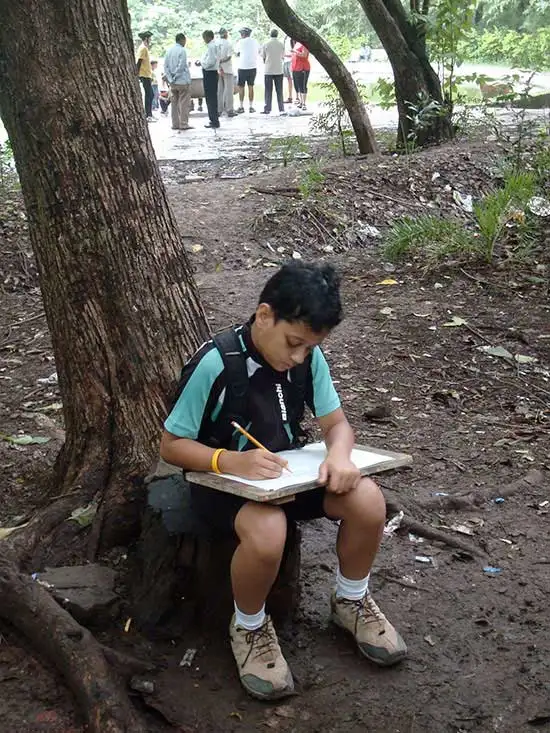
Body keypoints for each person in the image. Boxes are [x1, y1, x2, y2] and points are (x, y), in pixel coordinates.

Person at [160, 262, 407, 702]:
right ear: (263, 316)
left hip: (287, 477)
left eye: (309, 348)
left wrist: (339, 456)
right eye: (294, 343)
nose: (298, 357)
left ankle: (351, 600)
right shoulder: (216, 362)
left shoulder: (308, 360)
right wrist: (232, 461)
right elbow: (172, 445)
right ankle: (249, 627)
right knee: (268, 529)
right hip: (223, 485)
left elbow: (338, 425)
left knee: (368, 500)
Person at [163, 33, 193, 131]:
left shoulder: (169, 51)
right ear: (182, 40)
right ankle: (183, 123)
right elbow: (182, 65)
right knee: (184, 103)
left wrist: (171, 78)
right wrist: (176, 75)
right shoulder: (182, 50)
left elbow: (165, 66)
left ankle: (175, 124)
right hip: (182, 81)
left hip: (172, 83)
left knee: (174, 103)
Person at [261, 29, 285, 116]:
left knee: (268, 90)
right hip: (278, 69)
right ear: (277, 35)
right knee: (279, 90)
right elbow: (283, 56)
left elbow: (263, 56)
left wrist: (266, 61)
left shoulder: (266, 44)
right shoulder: (281, 44)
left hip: (268, 69)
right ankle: (281, 108)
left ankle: (267, 108)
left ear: (270, 34)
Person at [236, 27, 259, 114]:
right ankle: (251, 106)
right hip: (252, 66)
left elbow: (236, 52)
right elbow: (258, 51)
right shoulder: (255, 41)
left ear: (243, 34)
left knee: (241, 87)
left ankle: (241, 106)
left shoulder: (240, 42)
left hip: (242, 67)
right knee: (251, 86)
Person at [201, 30, 220, 129]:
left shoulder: (211, 46)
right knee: (212, 97)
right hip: (212, 72)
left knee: (210, 98)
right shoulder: (214, 45)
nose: (204, 40)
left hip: (209, 72)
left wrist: (203, 64)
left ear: (208, 37)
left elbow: (211, 61)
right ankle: (214, 118)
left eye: (204, 37)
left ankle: (213, 120)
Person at [217, 28, 237, 117]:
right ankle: (229, 110)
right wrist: (222, 61)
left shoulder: (216, 43)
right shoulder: (228, 43)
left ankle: (219, 109)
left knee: (220, 90)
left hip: (218, 69)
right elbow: (229, 57)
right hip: (227, 69)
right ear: (226, 34)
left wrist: (218, 63)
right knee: (229, 90)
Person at [136, 31, 155, 122]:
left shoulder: (144, 48)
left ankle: (149, 114)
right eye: (149, 38)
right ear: (146, 38)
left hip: (147, 74)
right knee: (149, 94)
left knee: (150, 94)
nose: (150, 40)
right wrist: (136, 73)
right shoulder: (143, 48)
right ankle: (148, 115)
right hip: (144, 75)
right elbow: (139, 61)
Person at [291, 40, 311, 111]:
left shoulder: (304, 44)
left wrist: (295, 51)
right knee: (298, 85)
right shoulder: (297, 44)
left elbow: (304, 55)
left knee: (303, 85)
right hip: (295, 68)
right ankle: (301, 101)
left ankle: (304, 103)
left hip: (303, 68)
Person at [283, 36, 294, 103]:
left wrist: (287, 55)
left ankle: (297, 98)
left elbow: (295, 51)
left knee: (294, 79)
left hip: (291, 61)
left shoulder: (293, 38)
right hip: (285, 61)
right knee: (289, 79)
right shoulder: (285, 38)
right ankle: (290, 97)